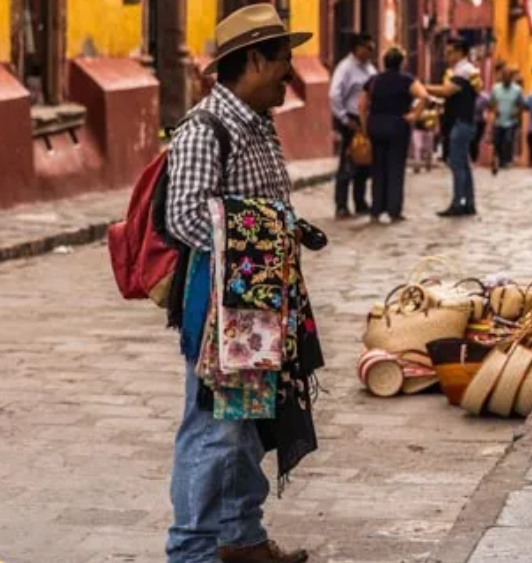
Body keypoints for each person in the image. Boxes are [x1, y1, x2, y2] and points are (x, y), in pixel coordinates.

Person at [164, 5, 320, 563]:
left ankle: (242, 537)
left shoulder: (257, 123)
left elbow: (255, 205)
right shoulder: (205, 128)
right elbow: (183, 216)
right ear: (253, 59)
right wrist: (267, 227)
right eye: (283, 59)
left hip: (255, 305)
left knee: (248, 424)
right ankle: (193, 550)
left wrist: (285, 226)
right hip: (220, 306)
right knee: (213, 429)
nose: (290, 72)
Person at [358, 46, 428, 224]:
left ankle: (376, 209)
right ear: (402, 63)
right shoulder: (406, 80)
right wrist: (414, 115)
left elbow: (362, 106)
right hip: (397, 126)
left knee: (378, 169)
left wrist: (365, 128)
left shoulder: (373, 80)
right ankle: (393, 210)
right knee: (395, 168)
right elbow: (424, 96)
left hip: (376, 125)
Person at [426, 38, 481, 217]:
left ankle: (458, 203)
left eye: (450, 52)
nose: (446, 56)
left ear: (460, 52)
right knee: (464, 165)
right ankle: (469, 203)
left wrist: (422, 87)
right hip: (464, 122)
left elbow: (446, 91)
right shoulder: (466, 70)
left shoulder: (463, 71)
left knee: (457, 165)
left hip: (460, 123)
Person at [329, 32, 376, 219]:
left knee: (364, 162)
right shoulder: (345, 68)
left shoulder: (370, 69)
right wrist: (344, 118)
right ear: (357, 48)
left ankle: (360, 202)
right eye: (368, 48)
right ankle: (341, 205)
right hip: (352, 119)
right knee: (347, 163)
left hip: (366, 119)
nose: (370, 51)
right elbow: (334, 94)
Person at [489, 68, 526, 174]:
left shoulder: (517, 90)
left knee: (508, 140)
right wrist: (494, 109)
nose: (506, 79)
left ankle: (505, 160)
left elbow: (522, 105)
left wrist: (516, 112)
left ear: (511, 78)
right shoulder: (495, 88)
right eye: (504, 77)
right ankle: (498, 160)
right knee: (497, 141)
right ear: (502, 77)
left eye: (508, 77)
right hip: (498, 120)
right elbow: (491, 102)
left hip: (511, 121)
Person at [471, 88, 491, 162]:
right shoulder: (468, 96)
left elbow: (491, 107)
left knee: (476, 140)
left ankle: (474, 158)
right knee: (471, 139)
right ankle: (473, 158)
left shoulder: (484, 97)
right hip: (469, 121)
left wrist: (487, 113)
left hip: (480, 122)